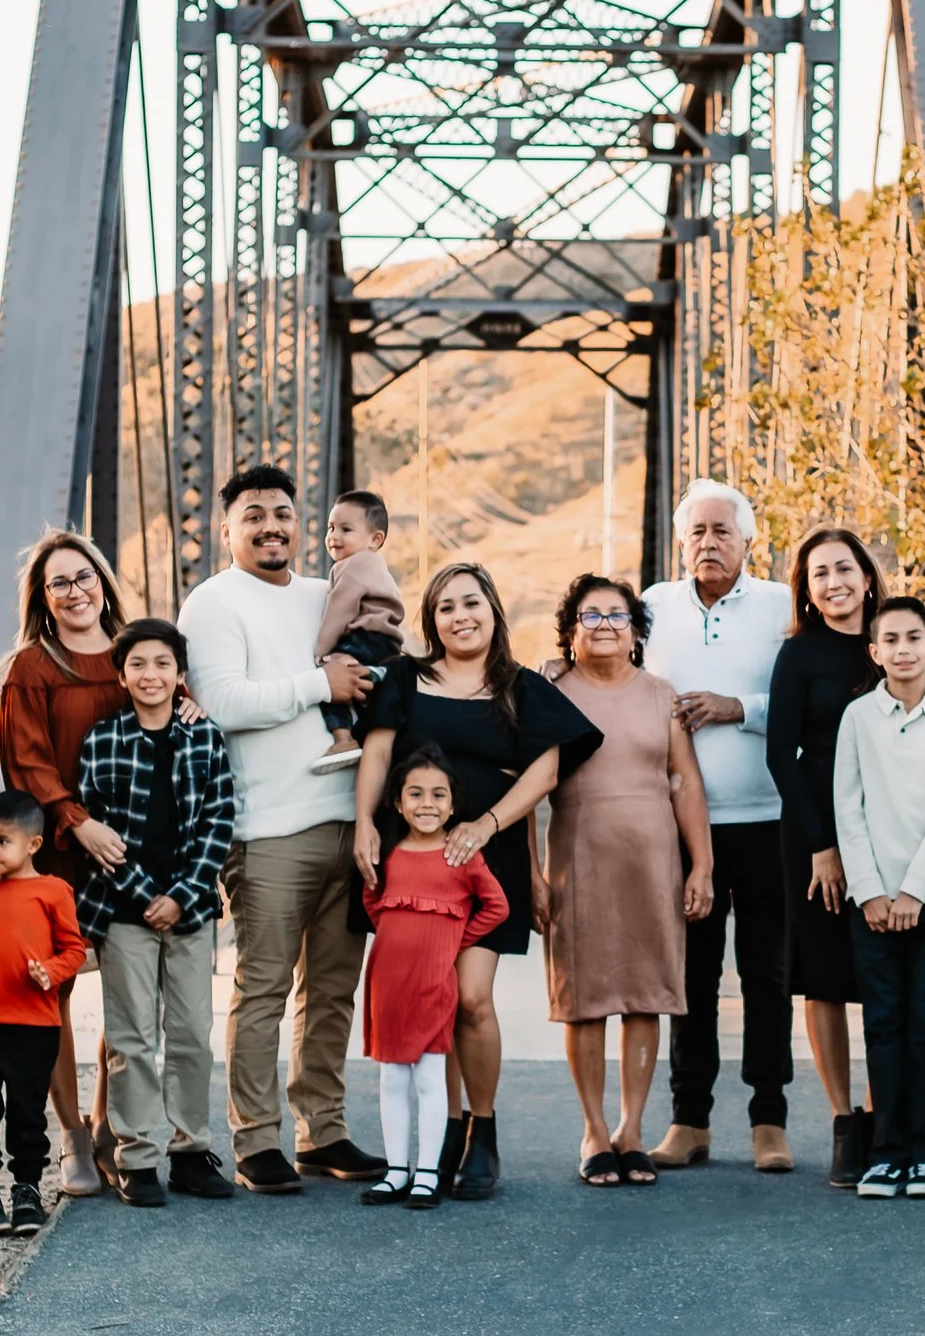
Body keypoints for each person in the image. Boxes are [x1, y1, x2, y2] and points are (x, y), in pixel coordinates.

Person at [354, 561, 600, 1200]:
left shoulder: (520, 688)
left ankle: (482, 1129)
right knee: (429, 1001)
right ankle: (448, 1129)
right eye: (446, 607)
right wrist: (363, 825)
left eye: (472, 603)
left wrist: (487, 825)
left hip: (486, 863)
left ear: (493, 610)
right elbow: (378, 753)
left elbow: (544, 773)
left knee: (470, 999)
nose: (461, 616)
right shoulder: (406, 679)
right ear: (431, 621)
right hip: (412, 860)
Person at [181, 466, 386, 1194]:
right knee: (263, 986)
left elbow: (373, 670)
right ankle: (256, 1139)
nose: (272, 526)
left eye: (284, 514)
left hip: (348, 822)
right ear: (226, 529)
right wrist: (317, 685)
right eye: (254, 515)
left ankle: (322, 1130)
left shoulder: (327, 596)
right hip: (267, 829)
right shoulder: (211, 604)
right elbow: (224, 701)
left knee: (331, 990)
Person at [640, 478, 796, 1173]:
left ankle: (770, 1120)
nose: (709, 542)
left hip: (768, 818)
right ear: (682, 542)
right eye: (697, 532)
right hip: (682, 826)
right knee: (691, 975)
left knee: (767, 972)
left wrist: (741, 706)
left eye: (721, 531)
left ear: (747, 540)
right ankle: (689, 1120)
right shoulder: (652, 606)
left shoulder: (781, 604)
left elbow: (807, 696)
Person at [541, 575, 713, 1188]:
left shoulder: (660, 694)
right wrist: (535, 874)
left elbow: (685, 782)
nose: (606, 625)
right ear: (570, 632)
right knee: (586, 998)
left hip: (652, 861)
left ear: (637, 632)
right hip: (578, 860)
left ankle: (632, 1130)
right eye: (591, 615)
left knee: (645, 993)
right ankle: (593, 1131)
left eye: (618, 615)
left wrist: (702, 864)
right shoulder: (550, 691)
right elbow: (525, 780)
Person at [73, 618, 238, 1209]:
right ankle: (136, 1158)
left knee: (192, 1033)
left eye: (163, 664)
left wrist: (184, 894)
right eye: (138, 664)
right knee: (132, 1037)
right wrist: (147, 896)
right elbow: (101, 831)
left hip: (191, 908)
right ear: (122, 675)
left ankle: (191, 1151)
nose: (151, 675)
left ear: (180, 674)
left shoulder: (206, 738)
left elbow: (220, 822)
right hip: (123, 908)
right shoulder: (103, 740)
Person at [0, 527, 132, 1199]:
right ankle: (72, 1137)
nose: (75, 592)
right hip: (60, 852)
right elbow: (25, 761)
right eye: (60, 583)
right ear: (43, 599)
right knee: (52, 992)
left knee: (129, 989)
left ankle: (110, 1130)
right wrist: (78, 824)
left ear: (103, 583)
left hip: (130, 848)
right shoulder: (32, 667)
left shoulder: (136, 651)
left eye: (85, 578)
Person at [834, 595, 925, 1200]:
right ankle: (887, 1153)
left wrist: (915, 890)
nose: (903, 650)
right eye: (890, 640)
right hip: (873, 900)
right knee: (884, 1025)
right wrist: (870, 892)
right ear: (875, 652)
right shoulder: (858, 717)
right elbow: (848, 807)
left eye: (914, 638)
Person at [765, 527, 885, 1190]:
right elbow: (781, 752)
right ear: (807, 591)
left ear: (867, 576)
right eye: (819, 574)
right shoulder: (800, 654)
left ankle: (884, 1115)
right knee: (824, 979)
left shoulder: (893, 639)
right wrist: (822, 847)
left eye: (844, 568)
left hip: (889, 830)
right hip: (816, 836)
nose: (834, 582)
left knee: (883, 975)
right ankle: (845, 1122)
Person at [357, 748, 510, 1210]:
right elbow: (374, 902)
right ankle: (396, 1171)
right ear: (398, 804)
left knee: (428, 1079)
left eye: (438, 795)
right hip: (387, 985)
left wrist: (454, 939)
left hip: (432, 984)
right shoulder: (389, 855)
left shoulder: (461, 857)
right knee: (390, 1080)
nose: (427, 803)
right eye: (415, 794)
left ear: (452, 805)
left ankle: (428, 1173)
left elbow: (497, 907)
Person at [0, 790, 90, 1238]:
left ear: (33, 845)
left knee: (27, 1115)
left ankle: (26, 1191)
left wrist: (49, 972)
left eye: (2, 841)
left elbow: (75, 951)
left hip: (34, 1027)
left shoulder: (53, 891)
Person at [309, 489, 406, 776]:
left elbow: (340, 609)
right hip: (384, 642)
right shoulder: (373, 564)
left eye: (345, 529)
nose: (334, 537)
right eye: (330, 528)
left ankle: (343, 740)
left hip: (365, 637)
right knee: (363, 692)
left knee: (329, 682)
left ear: (375, 539)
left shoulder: (355, 564)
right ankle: (375, 676)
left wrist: (321, 653)